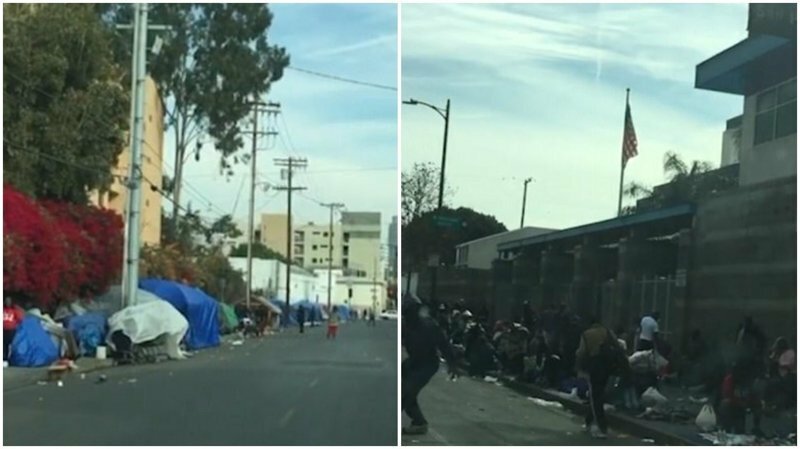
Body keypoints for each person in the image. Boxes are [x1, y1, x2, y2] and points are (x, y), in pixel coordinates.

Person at [402, 298, 457, 435]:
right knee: (404, 392)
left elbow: (444, 344)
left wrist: (453, 364)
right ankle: (419, 422)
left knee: (407, 391)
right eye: (406, 313)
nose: (408, 316)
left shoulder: (429, 325)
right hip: (413, 361)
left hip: (428, 364)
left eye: (410, 312)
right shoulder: (406, 326)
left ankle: (419, 422)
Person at [575, 316, 624, 439]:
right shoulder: (607, 331)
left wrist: (579, 368)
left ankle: (602, 427)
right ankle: (588, 421)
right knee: (598, 393)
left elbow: (581, 352)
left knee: (595, 396)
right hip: (608, 366)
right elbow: (618, 347)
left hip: (595, 365)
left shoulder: (586, 334)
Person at [719, 363, 764, 436]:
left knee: (758, 407)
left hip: (747, 404)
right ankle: (726, 428)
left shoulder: (751, 382)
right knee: (725, 404)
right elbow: (727, 396)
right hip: (734, 405)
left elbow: (755, 397)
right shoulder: (729, 380)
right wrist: (740, 403)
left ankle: (756, 428)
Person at [3, 297, 24, 362]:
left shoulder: (14, 310)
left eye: (9, 301)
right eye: (6, 301)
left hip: (11, 330)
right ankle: (4, 358)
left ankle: (11, 359)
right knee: (4, 344)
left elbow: (20, 319)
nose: (7, 302)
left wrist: (15, 324)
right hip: (3, 330)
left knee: (11, 344)